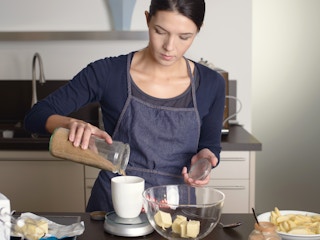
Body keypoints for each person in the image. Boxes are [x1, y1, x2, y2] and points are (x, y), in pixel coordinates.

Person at [24, 0, 225, 212]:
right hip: (114, 206)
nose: (169, 46)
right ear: (148, 20)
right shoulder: (107, 73)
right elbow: (35, 116)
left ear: (197, 31)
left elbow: (210, 145)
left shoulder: (212, 83)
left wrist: (205, 161)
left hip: (177, 208)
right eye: (160, 31)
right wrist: (70, 123)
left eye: (184, 37)